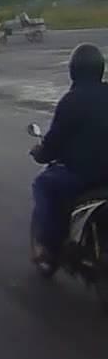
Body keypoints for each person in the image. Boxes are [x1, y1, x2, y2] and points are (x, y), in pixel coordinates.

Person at [30, 43, 108, 264]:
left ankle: (49, 246)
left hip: (83, 175)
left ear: (74, 70)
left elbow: (54, 140)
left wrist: (40, 153)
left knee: (43, 184)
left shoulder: (71, 101)